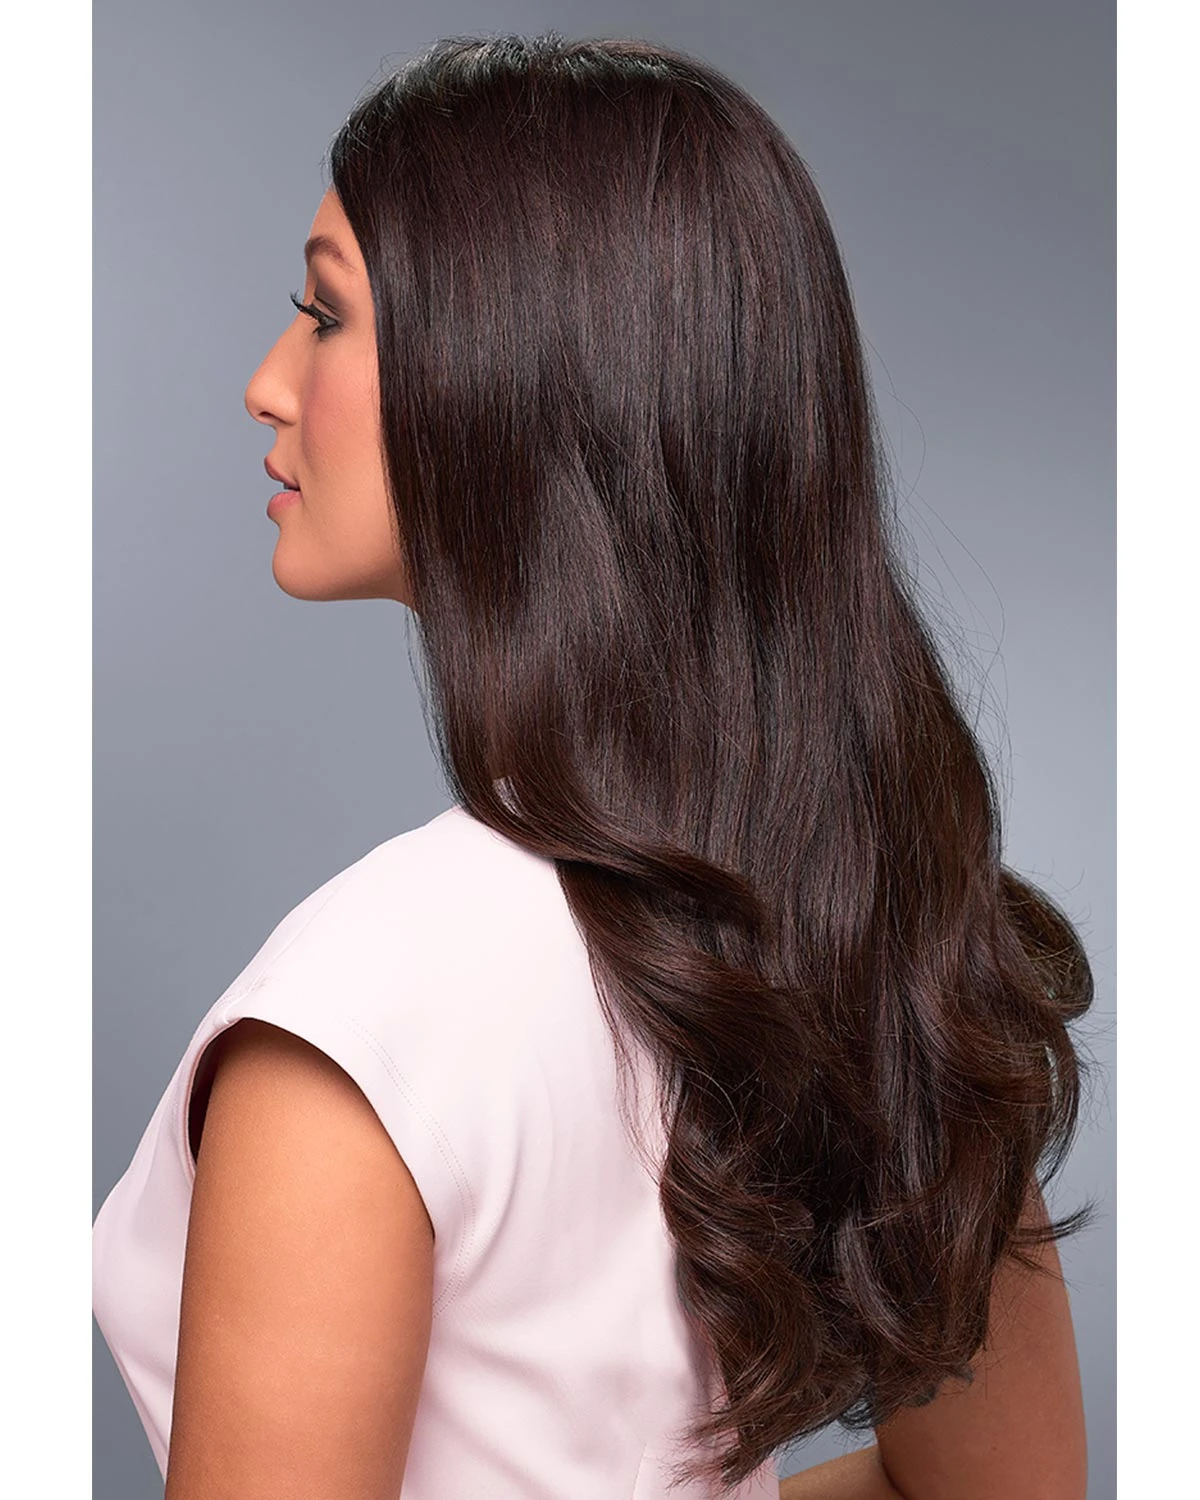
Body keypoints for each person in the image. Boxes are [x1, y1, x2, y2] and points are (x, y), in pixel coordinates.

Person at [93, 31, 1095, 1500]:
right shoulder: (874, 923)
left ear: (519, 372)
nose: (266, 383)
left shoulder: (359, 1017)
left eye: (326, 312)